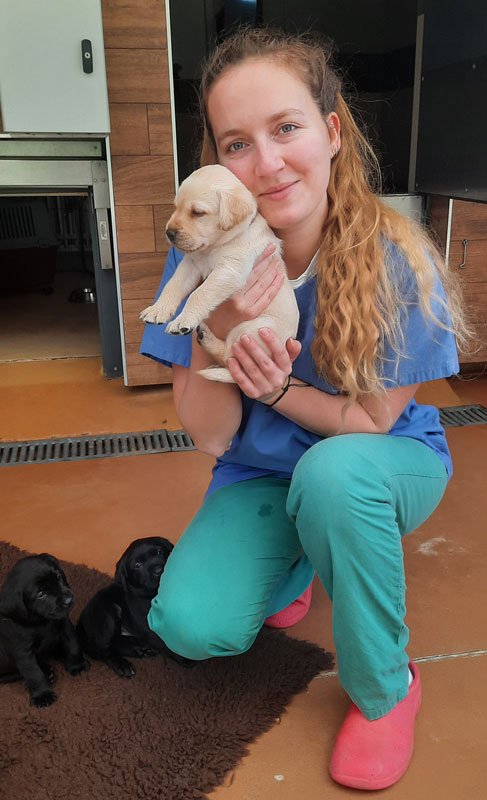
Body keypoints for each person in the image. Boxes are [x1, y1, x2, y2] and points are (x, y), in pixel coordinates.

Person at [140, 27, 469, 791]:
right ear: (213, 165)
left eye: (285, 128)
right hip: (256, 469)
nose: (265, 163)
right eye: (236, 144)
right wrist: (218, 332)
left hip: (376, 461)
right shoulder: (199, 242)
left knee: (332, 476)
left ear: (328, 132)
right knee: (191, 628)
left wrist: (276, 389)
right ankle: (292, 562)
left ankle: (387, 690)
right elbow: (215, 437)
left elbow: (368, 425)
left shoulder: (395, 254)